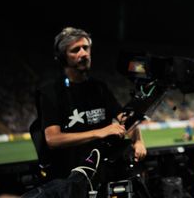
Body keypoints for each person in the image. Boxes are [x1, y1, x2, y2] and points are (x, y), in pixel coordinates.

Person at [36, 27, 147, 183]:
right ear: (62, 58)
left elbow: (126, 118)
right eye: (75, 50)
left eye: (86, 48)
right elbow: (53, 139)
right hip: (71, 177)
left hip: (105, 171)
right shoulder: (50, 92)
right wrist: (99, 132)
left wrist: (138, 141)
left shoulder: (99, 88)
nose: (84, 54)